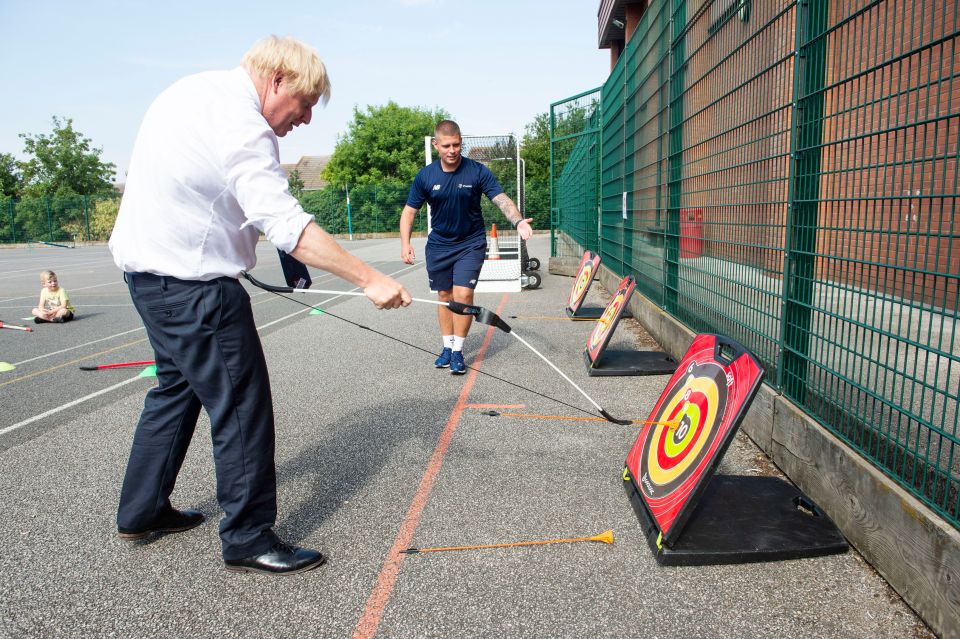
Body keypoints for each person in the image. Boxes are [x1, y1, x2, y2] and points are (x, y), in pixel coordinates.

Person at [108, 36, 411, 576]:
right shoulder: (242, 121)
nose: (306, 118)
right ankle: (247, 536)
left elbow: (218, 195)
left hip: (147, 279)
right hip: (196, 289)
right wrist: (369, 277)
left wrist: (263, 252)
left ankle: (142, 507)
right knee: (243, 407)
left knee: (176, 389)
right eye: (306, 103)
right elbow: (284, 218)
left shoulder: (191, 90)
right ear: (277, 81)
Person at [399, 120, 532, 374]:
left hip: (470, 243)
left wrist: (517, 221)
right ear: (436, 145)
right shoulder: (425, 176)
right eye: (447, 145)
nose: (452, 150)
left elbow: (501, 199)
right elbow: (409, 212)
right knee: (444, 297)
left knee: (463, 296)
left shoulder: (477, 171)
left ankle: (458, 351)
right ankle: (446, 347)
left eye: (457, 145)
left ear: (462, 143)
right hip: (439, 245)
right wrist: (405, 243)